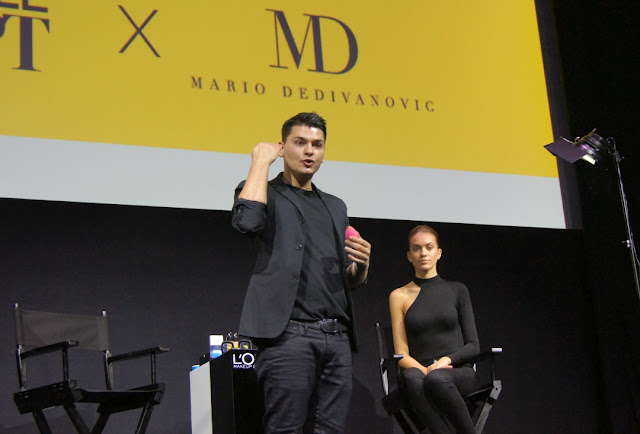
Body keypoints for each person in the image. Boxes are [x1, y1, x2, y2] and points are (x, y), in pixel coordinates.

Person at [231, 112, 371, 433]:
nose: (309, 151)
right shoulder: (263, 191)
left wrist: (361, 266)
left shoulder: (335, 206)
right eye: (300, 142)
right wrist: (260, 161)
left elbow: (347, 282)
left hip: (336, 337)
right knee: (285, 429)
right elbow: (247, 222)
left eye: (317, 145)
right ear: (282, 148)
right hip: (288, 337)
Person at [389, 225, 479, 434]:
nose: (423, 253)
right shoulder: (399, 296)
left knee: (437, 379)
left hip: (457, 372)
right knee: (411, 377)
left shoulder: (457, 290)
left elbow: (473, 345)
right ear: (409, 256)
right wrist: (427, 371)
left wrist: (446, 361)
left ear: (438, 253)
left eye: (429, 247)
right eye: (417, 248)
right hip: (420, 374)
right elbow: (401, 355)